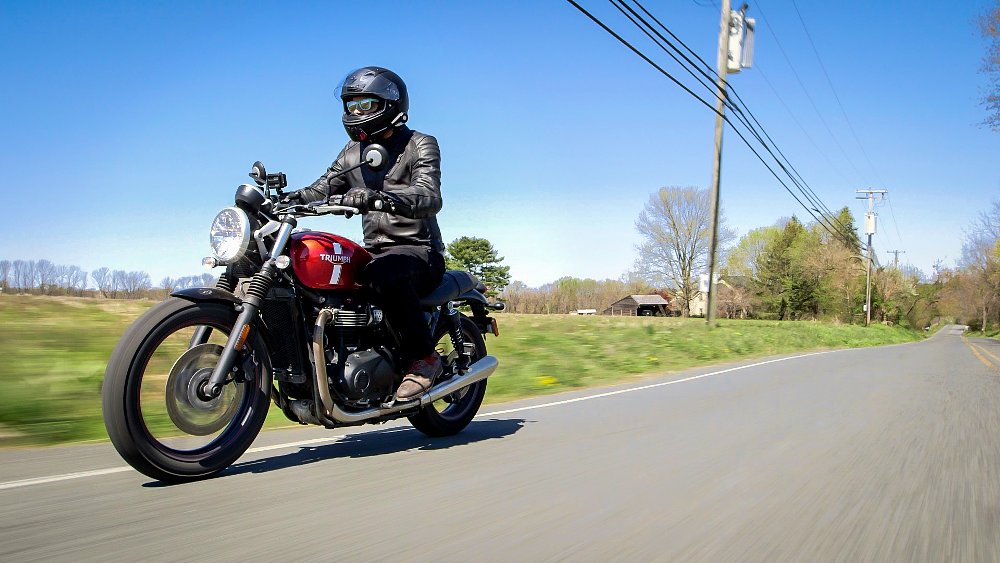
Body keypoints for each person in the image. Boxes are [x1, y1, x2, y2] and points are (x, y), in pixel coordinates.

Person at [292, 66, 445, 402]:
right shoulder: (352, 152)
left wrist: (381, 198)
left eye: (366, 104)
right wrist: (286, 200)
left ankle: (425, 359)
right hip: (374, 252)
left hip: (419, 251)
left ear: (390, 104)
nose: (357, 113)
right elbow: (321, 188)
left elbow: (429, 195)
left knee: (384, 274)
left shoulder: (420, 144)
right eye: (352, 105)